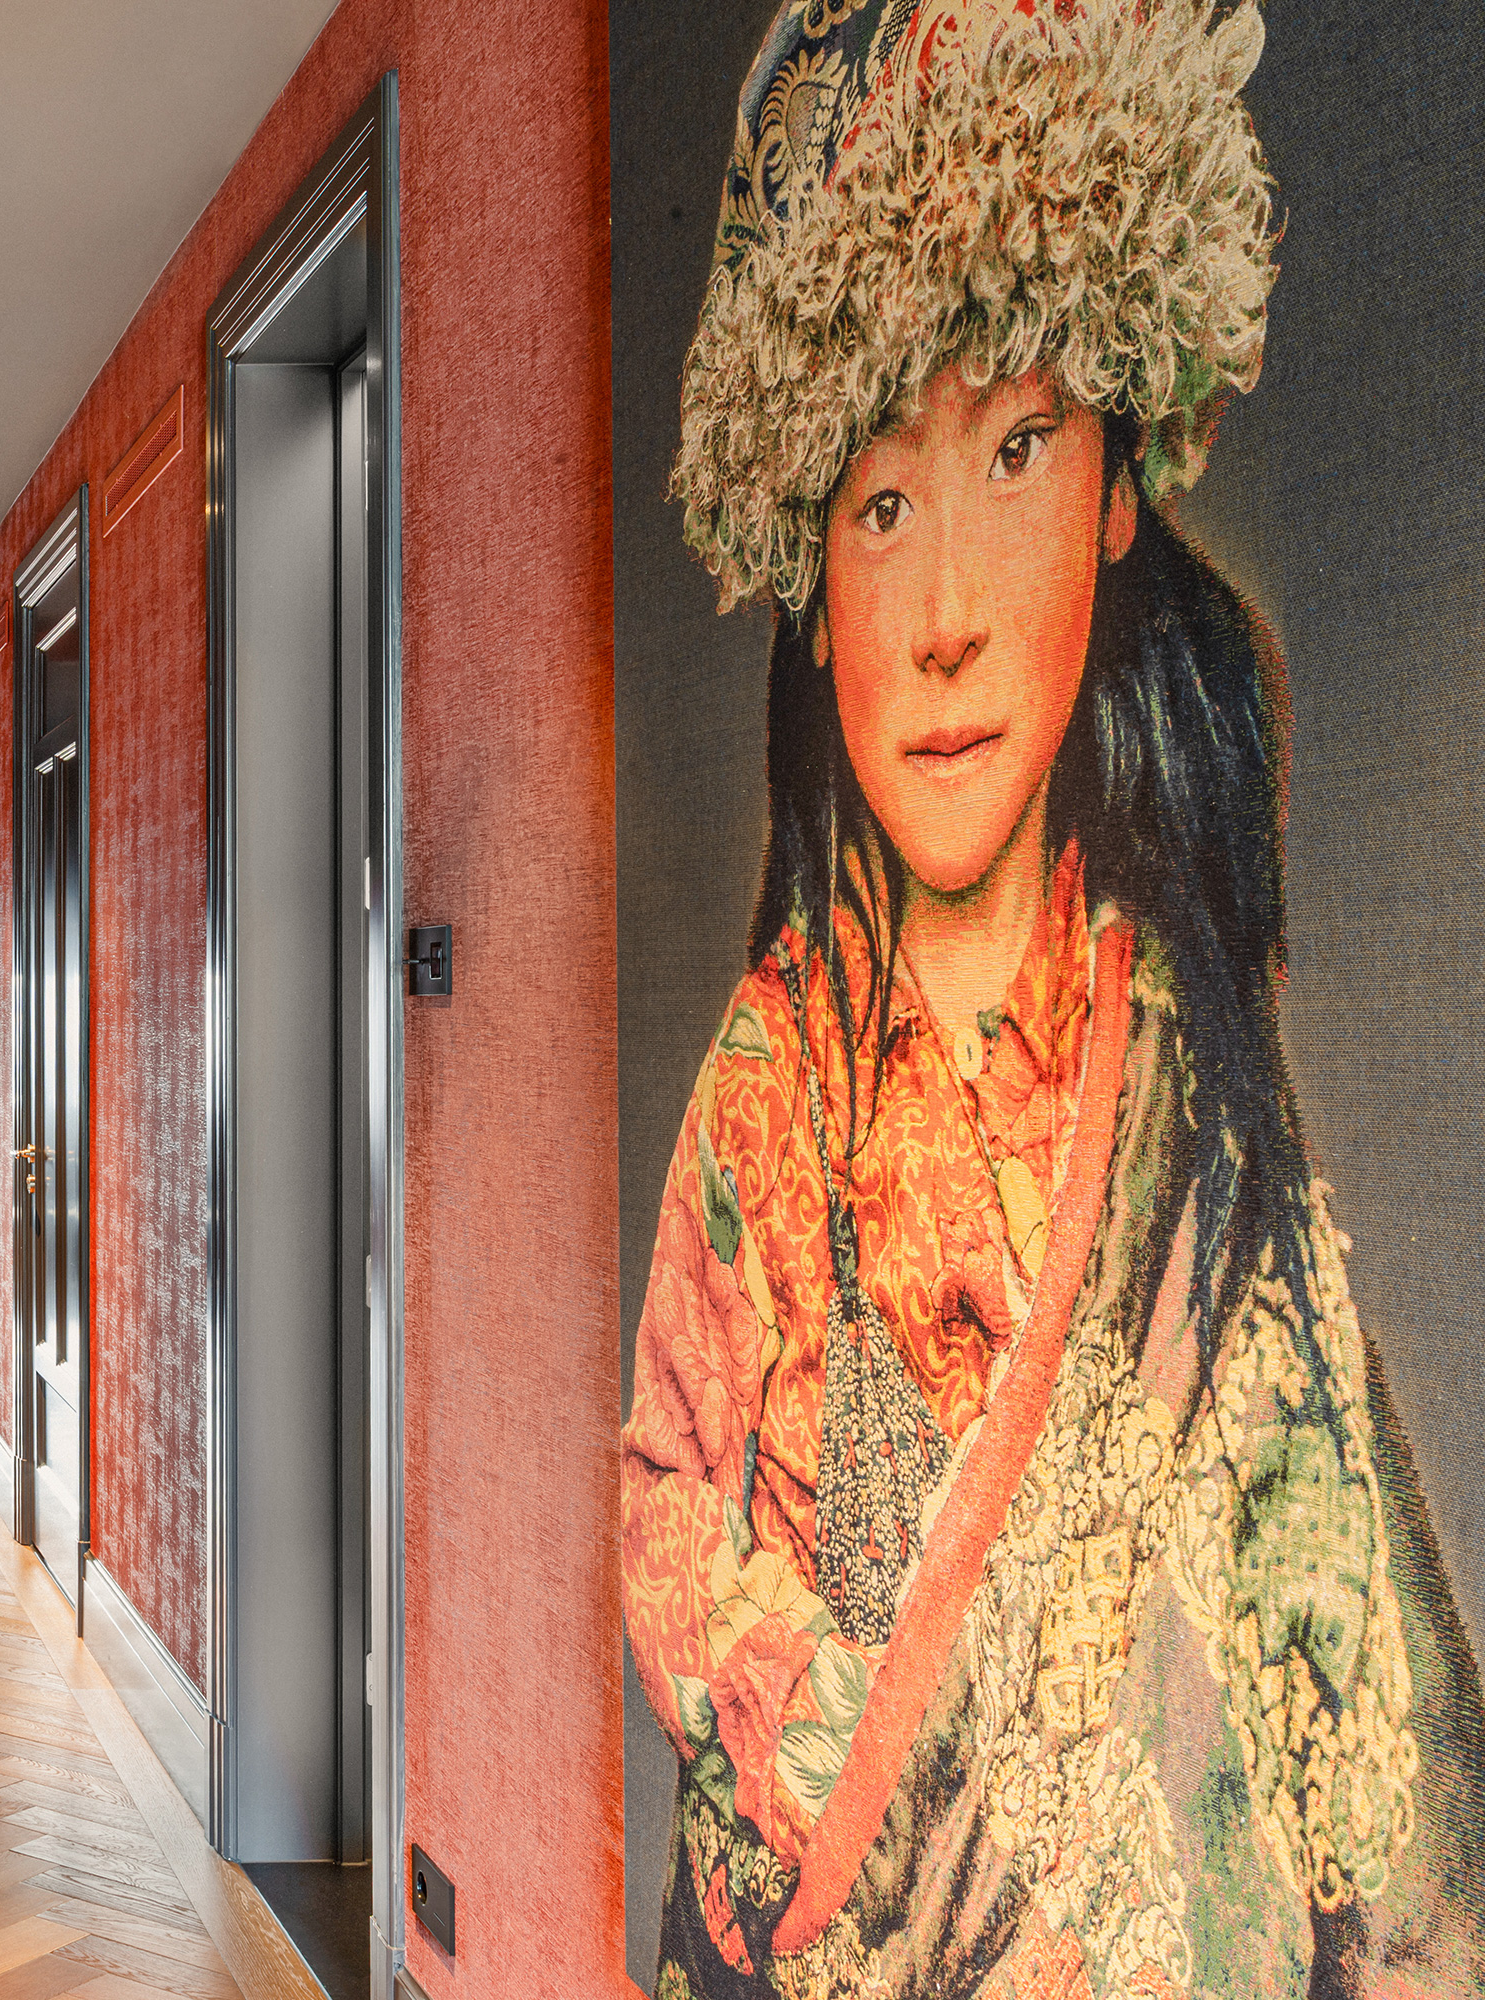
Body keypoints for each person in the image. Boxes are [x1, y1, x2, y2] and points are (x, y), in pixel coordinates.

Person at [622, 1, 1485, 1993]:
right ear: (809, 573)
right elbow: (664, 1483)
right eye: (879, 503)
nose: (941, 621)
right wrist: (843, 1754)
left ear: (1115, 484)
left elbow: (1339, 1645)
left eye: (1013, 450)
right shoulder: (773, 1073)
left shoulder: (1186, 1076)